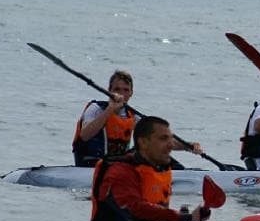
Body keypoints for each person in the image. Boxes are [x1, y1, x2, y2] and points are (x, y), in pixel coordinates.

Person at [88, 115, 248, 221]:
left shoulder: (159, 168)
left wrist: (193, 215)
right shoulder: (121, 170)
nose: (170, 145)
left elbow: (160, 215)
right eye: (163, 139)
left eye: (170, 139)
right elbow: (137, 210)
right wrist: (185, 217)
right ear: (143, 142)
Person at [72, 69, 202, 167]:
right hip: (90, 164)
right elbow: (84, 136)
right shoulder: (96, 109)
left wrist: (187, 146)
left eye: (126, 90)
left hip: (117, 164)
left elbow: (158, 140)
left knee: (150, 149)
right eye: (117, 89)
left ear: (131, 93)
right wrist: (110, 109)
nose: (121, 93)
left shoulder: (133, 116)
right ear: (109, 90)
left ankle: (179, 173)